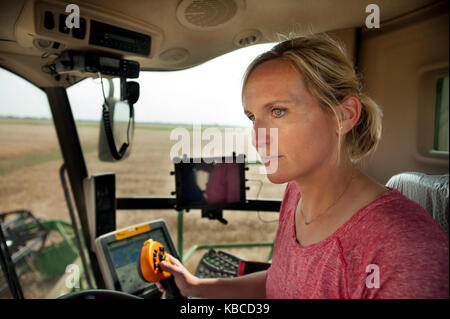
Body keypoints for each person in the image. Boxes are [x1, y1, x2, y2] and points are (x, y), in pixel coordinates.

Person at [157, 34, 449, 299]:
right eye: (252, 117)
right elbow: (281, 282)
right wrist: (195, 287)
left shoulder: (405, 252)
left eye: (278, 111)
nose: (257, 138)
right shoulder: (295, 194)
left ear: (344, 116)